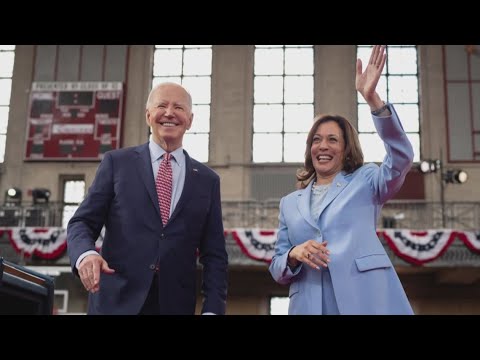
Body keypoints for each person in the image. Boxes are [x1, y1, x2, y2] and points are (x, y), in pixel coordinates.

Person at [269, 45, 414, 315]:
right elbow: (277, 267)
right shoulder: (289, 204)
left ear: (346, 148)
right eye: (316, 140)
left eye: (332, 139)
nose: (322, 146)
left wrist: (373, 101)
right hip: (309, 305)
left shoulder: (367, 180)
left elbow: (402, 158)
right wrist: (294, 254)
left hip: (365, 300)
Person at [67, 82, 228, 315]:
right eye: (162, 105)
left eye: (179, 108)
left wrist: (213, 309)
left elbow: (215, 255)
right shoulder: (117, 163)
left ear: (190, 120)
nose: (170, 113)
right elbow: (81, 222)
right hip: (115, 303)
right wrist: (85, 254)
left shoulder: (208, 180)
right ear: (148, 115)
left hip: (175, 306)